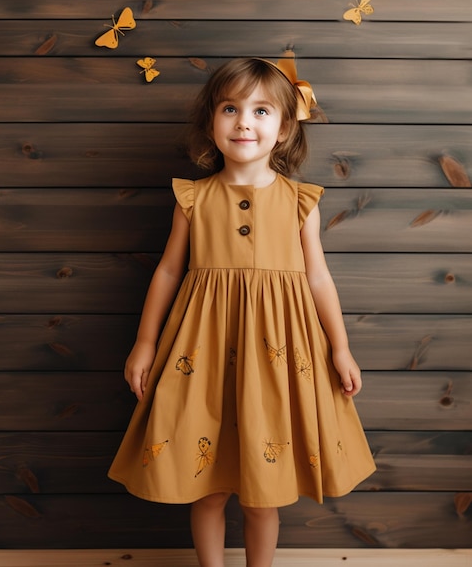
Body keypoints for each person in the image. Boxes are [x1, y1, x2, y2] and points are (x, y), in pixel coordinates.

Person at [108, 54, 376, 567]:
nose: (244, 122)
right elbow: (167, 271)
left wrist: (340, 348)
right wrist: (144, 343)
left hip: (280, 354)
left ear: (284, 128)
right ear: (212, 121)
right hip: (202, 351)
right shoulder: (193, 199)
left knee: (263, 493)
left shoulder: (301, 201)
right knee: (207, 488)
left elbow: (318, 277)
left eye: (260, 111)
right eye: (230, 108)